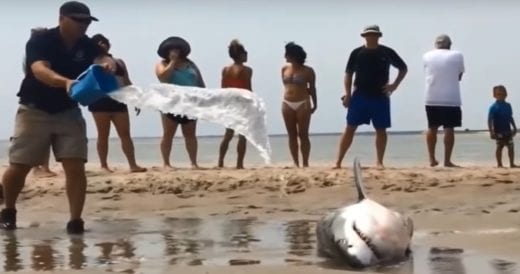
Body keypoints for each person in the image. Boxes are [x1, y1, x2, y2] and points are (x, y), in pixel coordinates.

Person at [0, 1, 112, 234]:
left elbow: (101, 58)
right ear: (62, 19)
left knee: (75, 166)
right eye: (78, 20)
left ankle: (75, 222)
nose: (83, 25)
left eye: (87, 21)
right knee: (19, 165)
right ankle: (8, 209)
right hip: (34, 109)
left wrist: (109, 63)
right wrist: (66, 82)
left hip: (68, 111)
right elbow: (39, 70)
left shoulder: (87, 44)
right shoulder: (42, 40)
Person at [335, 25, 407, 169]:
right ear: (364, 36)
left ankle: (379, 161)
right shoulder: (357, 53)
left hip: (380, 96)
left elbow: (403, 68)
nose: (371, 37)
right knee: (350, 127)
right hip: (359, 95)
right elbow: (348, 74)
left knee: (381, 129)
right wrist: (348, 94)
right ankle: (338, 162)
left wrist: (394, 85)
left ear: (378, 36)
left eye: (374, 34)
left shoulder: (386, 52)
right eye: (368, 35)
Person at [88, 34, 146, 173]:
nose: (102, 44)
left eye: (104, 42)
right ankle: (104, 165)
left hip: (119, 100)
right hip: (100, 101)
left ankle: (133, 164)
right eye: (98, 43)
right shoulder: (91, 62)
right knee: (103, 134)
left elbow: (126, 81)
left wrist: (136, 98)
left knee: (125, 133)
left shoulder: (119, 61)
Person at [154, 36, 205, 169]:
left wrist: (203, 99)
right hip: (170, 104)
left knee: (190, 134)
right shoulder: (162, 64)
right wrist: (172, 62)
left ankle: (194, 163)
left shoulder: (191, 64)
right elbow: (163, 77)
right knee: (168, 134)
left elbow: (200, 83)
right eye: (172, 50)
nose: (175, 52)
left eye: (177, 50)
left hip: (190, 104)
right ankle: (166, 163)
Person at [423, 34, 465, 167]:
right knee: (449, 128)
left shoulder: (426, 56)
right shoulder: (457, 55)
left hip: (431, 97)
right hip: (451, 97)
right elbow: (459, 76)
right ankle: (447, 161)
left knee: (432, 127)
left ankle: (432, 159)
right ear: (449, 45)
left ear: (436, 45)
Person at [217, 39, 253, 169]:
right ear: (240, 55)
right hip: (242, 104)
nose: (247, 55)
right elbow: (248, 89)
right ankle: (239, 163)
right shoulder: (246, 70)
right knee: (242, 135)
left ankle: (220, 161)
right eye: (245, 53)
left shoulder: (226, 70)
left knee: (228, 135)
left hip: (229, 103)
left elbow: (223, 89)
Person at [281, 42, 317, 168]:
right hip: (287, 103)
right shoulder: (284, 69)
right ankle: (296, 163)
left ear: (293, 55)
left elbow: (312, 88)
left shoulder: (308, 71)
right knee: (291, 134)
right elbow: (285, 85)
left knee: (303, 134)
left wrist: (315, 103)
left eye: (287, 54)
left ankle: (305, 162)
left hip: (303, 103)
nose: (285, 56)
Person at [488, 85, 518, 168]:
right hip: (498, 131)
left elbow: (510, 117)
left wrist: (515, 127)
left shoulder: (508, 105)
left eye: (503, 94)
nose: (501, 96)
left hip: (507, 130)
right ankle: (499, 164)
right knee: (499, 147)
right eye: (499, 94)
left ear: (506, 94)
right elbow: (490, 120)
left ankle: (512, 163)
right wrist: (491, 131)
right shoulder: (493, 107)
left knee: (511, 147)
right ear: (494, 95)